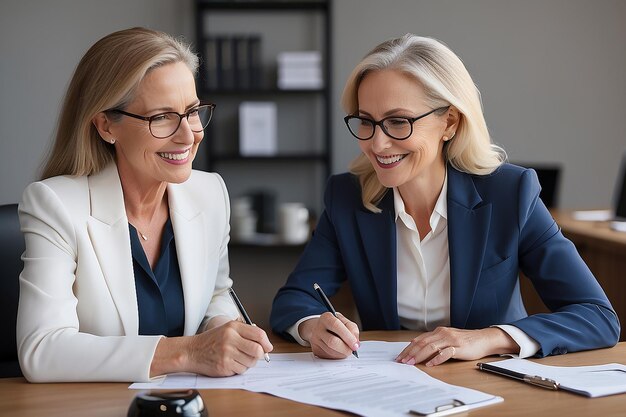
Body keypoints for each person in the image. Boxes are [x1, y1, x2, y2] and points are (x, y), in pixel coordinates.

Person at [270, 34, 620, 366]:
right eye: (366, 121)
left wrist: (488, 338)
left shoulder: (511, 193)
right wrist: (313, 326)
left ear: (449, 122)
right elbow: (294, 299)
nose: (377, 144)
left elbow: (597, 316)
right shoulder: (347, 197)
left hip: (492, 388)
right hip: (388, 385)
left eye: (398, 121)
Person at [17, 27, 273, 383]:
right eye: (162, 117)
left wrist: (224, 329)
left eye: (193, 111)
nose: (189, 135)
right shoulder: (55, 205)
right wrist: (189, 352)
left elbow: (215, 295)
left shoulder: (210, 193)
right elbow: (42, 349)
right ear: (106, 125)